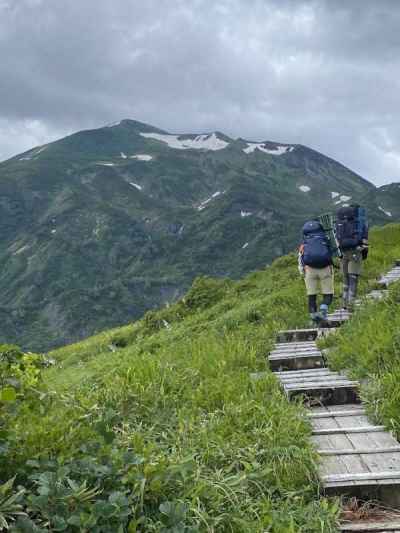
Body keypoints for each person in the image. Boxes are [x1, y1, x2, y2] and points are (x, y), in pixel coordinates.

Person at [298, 219, 334, 325]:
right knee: (328, 293)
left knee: (311, 295)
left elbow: (300, 258)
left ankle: (313, 318)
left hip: (309, 270)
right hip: (325, 269)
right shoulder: (325, 239)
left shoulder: (304, 243)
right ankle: (323, 311)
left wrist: (302, 272)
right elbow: (331, 252)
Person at [335, 205, 368, 309]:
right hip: (355, 252)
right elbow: (365, 241)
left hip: (343, 253)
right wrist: (364, 254)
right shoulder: (360, 224)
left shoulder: (338, 224)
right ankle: (351, 303)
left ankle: (344, 303)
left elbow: (335, 240)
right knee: (353, 278)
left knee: (345, 278)